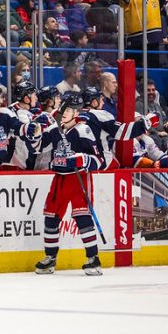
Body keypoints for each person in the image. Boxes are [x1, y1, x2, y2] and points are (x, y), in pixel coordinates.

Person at [35, 92, 104, 276]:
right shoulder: (54, 129)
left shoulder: (83, 130)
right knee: (51, 218)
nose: (64, 113)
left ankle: (93, 258)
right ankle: (50, 258)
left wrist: (82, 159)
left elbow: (99, 160)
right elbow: (37, 147)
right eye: (64, 109)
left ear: (76, 113)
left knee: (82, 217)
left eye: (69, 110)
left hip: (78, 178)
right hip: (59, 179)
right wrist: (34, 134)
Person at [78, 86, 156, 170]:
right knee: (116, 166)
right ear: (94, 102)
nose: (103, 103)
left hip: (81, 163)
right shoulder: (100, 115)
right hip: (101, 163)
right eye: (100, 100)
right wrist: (146, 123)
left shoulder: (76, 115)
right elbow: (122, 132)